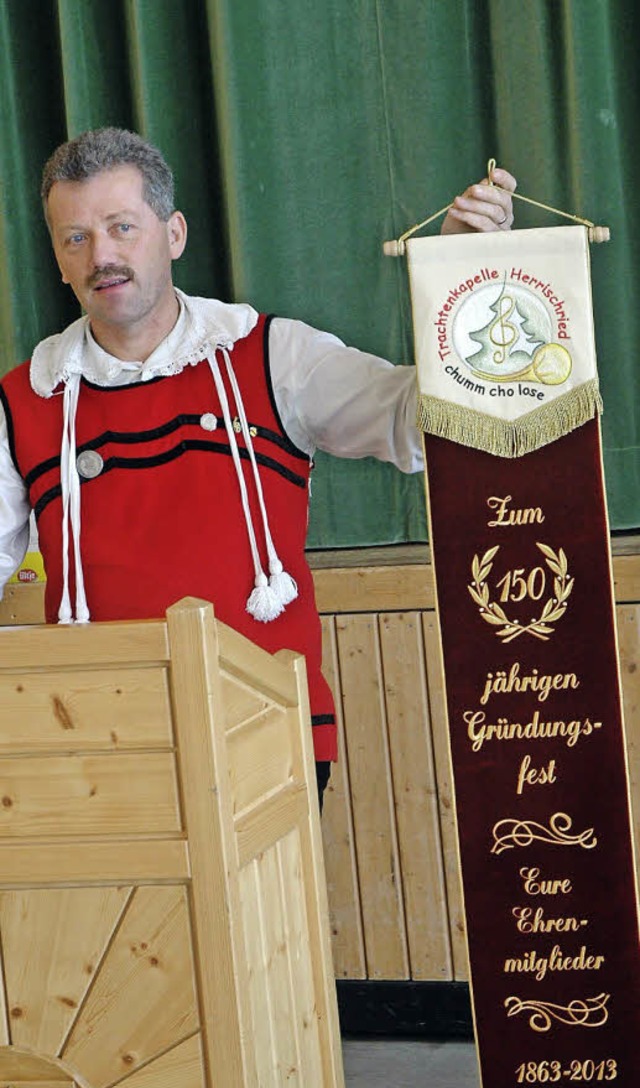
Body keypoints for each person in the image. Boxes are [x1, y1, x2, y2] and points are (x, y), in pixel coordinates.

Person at [0, 128, 515, 804]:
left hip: (271, 739)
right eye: (77, 239)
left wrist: (461, 284)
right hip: (102, 754)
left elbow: (417, 427)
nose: (103, 256)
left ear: (174, 233)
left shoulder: (271, 354)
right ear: (60, 261)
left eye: (122, 228)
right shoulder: (25, 400)